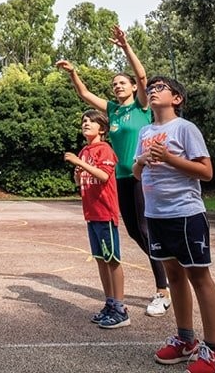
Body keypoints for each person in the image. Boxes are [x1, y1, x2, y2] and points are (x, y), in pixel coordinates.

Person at [56, 25, 172, 317]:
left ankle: (164, 290)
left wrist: (125, 46)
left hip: (141, 175)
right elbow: (84, 94)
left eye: (123, 82)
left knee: (145, 230)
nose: (117, 86)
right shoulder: (113, 111)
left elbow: (144, 77)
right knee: (134, 231)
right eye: (114, 84)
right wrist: (72, 73)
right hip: (119, 178)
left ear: (134, 87)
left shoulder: (142, 107)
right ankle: (168, 272)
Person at [133, 76, 215, 373]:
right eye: (150, 88)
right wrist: (142, 161)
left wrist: (170, 158)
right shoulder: (145, 131)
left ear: (176, 98)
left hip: (185, 214)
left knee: (198, 277)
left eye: (159, 88)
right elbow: (137, 173)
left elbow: (206, 171)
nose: (152, 91)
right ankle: (186, 339)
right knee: (173, 276)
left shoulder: (185, 128)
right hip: (156, 215)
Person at [63, 109, 130, 328]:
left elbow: (103, 175)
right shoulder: (85, 151)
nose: (85, 123)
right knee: (101, 260)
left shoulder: (105, 150)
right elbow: (82, 181)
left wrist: (79, 164)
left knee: (112, 259)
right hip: (91, 213)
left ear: (102, 129)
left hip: (104, 212)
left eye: (90, 121)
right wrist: (77, 173)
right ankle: (109, 303)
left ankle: (120, 308)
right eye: (83, 121)